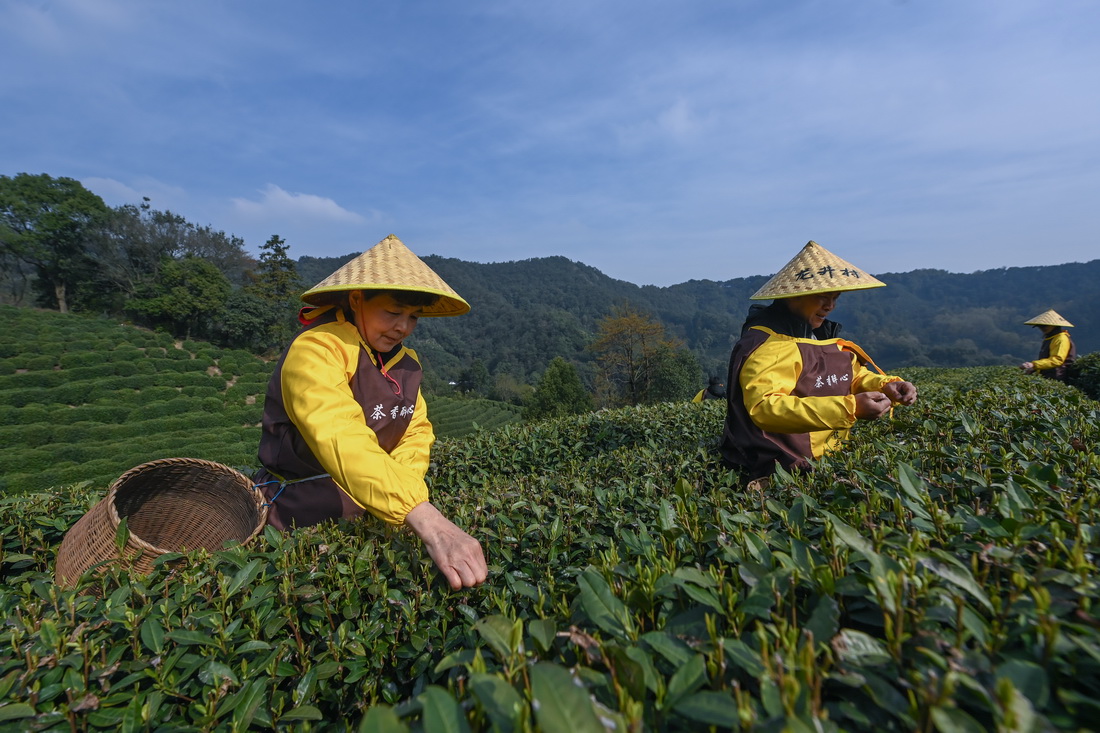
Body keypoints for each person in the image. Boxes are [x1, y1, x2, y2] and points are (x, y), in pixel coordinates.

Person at [255, 234, 488, 590]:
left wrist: (400, 507)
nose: (403, 327)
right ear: (356, 298)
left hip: (373, 516)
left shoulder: (406, 363)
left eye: (413, 317)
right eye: (393, 313)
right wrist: (426, 518)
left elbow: (415, 430)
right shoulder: (317, 349)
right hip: (298, 520)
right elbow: (338, 433)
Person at [720, 240, 918, 480]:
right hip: (784, 463)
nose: (830, 306)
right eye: (823, 297)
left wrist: (885, 386)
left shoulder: (817, 332)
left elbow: (848, 376)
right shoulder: (769, 346)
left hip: (829, 455)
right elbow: (765, 408)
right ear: (794, 296)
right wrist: (850, 408)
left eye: (835, 297)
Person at [1020, 309, 1076, 382]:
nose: (1042, 329)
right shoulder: (1051, 338)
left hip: (1058, 377)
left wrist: (1033, 365)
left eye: (1045, 326)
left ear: (1054, 325)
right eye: (1040, 326)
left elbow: (1057, 360)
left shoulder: (1061, 339)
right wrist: (1035, 369)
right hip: (1049, 377)